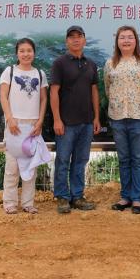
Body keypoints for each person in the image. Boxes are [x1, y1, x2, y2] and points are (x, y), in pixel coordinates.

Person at [104, 25, 140, 214]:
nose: (126, 41)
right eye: (122, 38)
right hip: (118, 117)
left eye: (130, 37)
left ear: (136, 41)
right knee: (124, 159)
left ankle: (137, 199)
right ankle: (125, 197)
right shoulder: (110, 63)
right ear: (117, 41)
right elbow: (108, 88)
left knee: (138, 159)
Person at [50, 25, 101, 214]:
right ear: (67, 41)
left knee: (81, 160)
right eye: (71, 37)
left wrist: (96, 117)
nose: (76, 40)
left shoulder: (91, 64)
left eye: (79, 36)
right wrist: (57, 119)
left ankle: (78, 196)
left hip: (87, 122)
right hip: (66, 122)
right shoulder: (59, 63)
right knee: (63, 160)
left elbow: (94, 91)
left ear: (84, 40)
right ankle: (63, 197)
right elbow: (53, 92)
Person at [0, 38, 48, 214]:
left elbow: (43, 99)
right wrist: (10, 119)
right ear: (17, 53)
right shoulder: (9, 72)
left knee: (30, 168)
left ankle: (28, 203)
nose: (26, 54)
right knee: (12, 168)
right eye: (22, 51)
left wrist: (40, 120)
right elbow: (3, 96)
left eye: (29, 50)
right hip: (14, 125)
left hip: (33, 127)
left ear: (34, 53)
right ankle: (10, 203)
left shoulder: (40, 74)